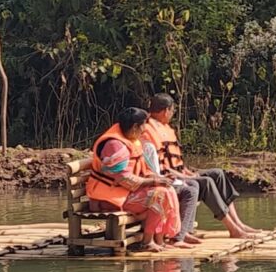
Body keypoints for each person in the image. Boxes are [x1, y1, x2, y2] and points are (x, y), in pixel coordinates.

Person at [136, 92, 258, 243]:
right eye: (172, 111)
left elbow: (174, 160)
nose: (172, 114)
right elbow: (161, 169)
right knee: (205, 182)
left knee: (217, 174)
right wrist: (187, 177)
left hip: (180, 174)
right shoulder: (148, 131)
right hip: (169, 179)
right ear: (165, 110)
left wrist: (187, 172)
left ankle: (239, 224)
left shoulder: (164, 128)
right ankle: (233, 229)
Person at [85, 106, 174, 238]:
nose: (144, 130)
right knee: (159, 196)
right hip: (108, 199)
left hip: (124, 194)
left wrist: (158, 178)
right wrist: (154, 181)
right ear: (134, 127)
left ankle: (158, 239)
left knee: (167, 190)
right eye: (143, 126)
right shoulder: (114, 145)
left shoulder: (131, 140)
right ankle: (148, 241)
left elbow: (142, 168)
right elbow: (123, 179)